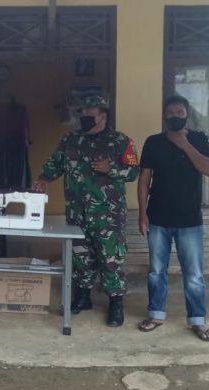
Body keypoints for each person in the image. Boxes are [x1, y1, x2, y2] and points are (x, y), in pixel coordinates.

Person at [33, 95, 139, 327]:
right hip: (77, 212)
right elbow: (54, 164)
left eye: (90, 114)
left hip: (108, 214)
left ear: (103, 115)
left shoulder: (120, 141)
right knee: (81, 256)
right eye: (82, 113)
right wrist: (43, 180)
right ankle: (83, 297)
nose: (85, 118)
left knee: (110, 258)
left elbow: (133, 172)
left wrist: (111, 169)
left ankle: (116, 303)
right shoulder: (70, 139)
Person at [137, 95, 209, 341]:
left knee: (193, 274)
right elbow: (144, 180)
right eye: (170, 113)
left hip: (190, 220)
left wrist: (184, 144)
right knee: (156, 271)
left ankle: (197, 320)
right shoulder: (153, 142)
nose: (175, 116)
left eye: (179, 112)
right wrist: (142, 213)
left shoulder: (199, 139)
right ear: (164, 116)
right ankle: (156, 314)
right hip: (157, 218)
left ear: (186, 114)